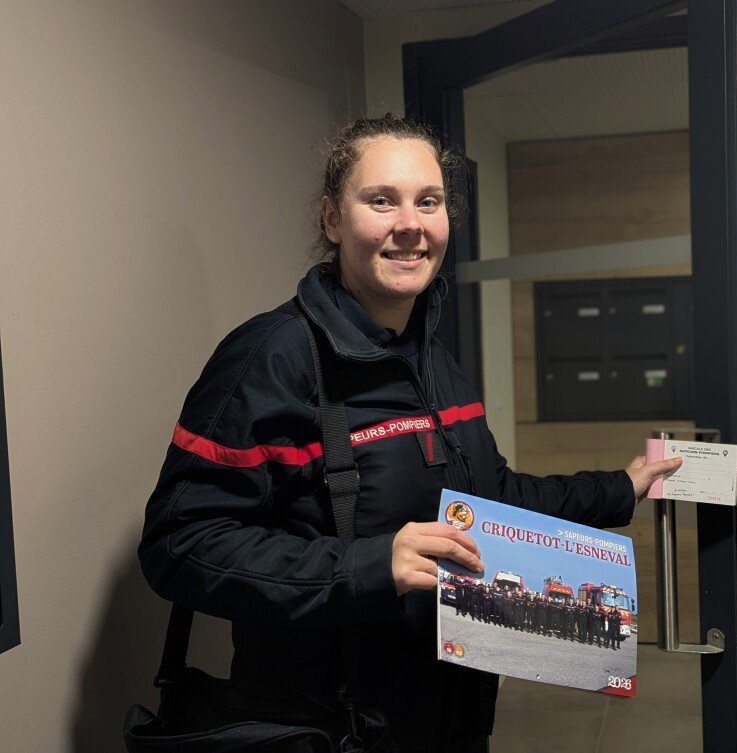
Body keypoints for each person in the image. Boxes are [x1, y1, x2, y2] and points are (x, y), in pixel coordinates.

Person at [137, 114, 681, 753]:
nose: (410, 224)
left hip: (448, 721)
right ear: (332, 221)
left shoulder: (434, 362)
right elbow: (180, 544)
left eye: (429, 201)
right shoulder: (269, 357)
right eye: (381, 200)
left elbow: (491, 502)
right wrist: (371, 565)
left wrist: (618, 488)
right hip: (327, 730)